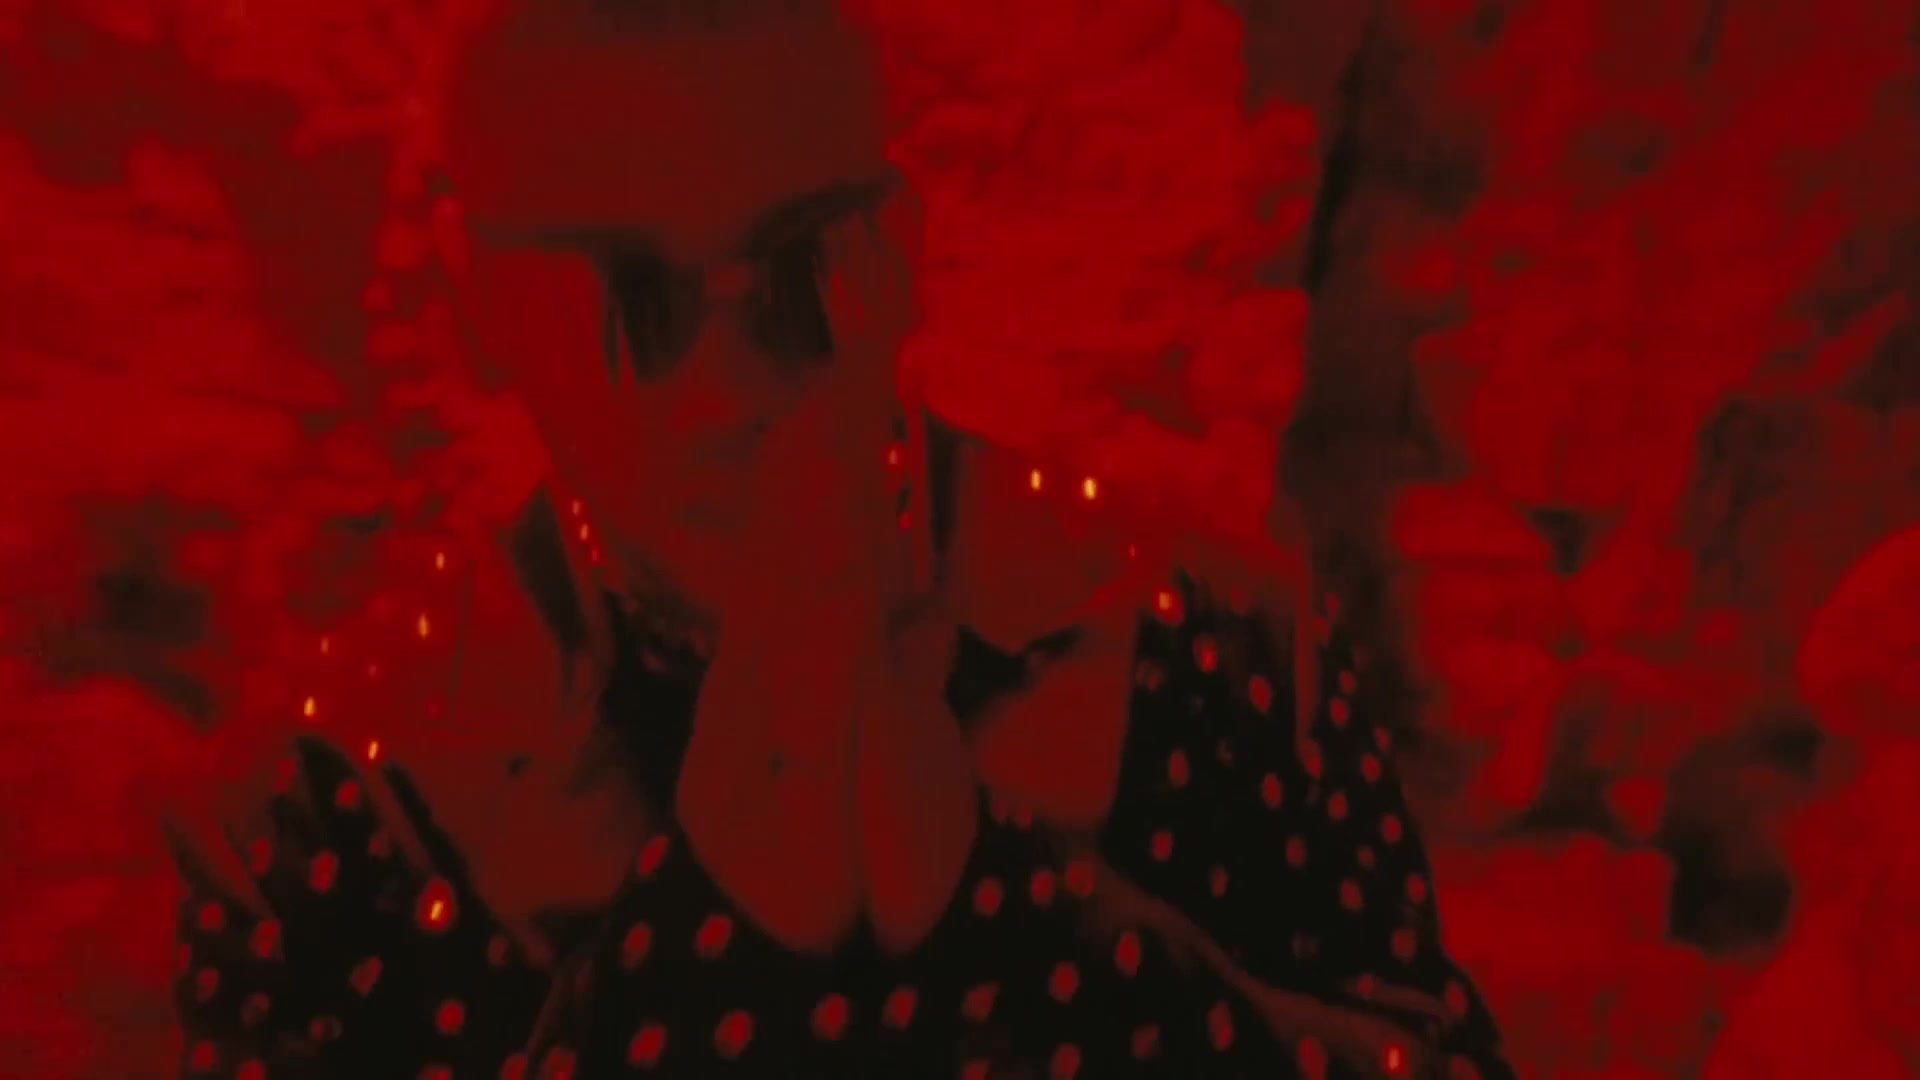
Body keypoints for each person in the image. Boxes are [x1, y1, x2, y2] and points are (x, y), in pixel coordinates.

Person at [163, 1, 1514, 1076]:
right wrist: (702, 942)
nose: (730, 384)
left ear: (899, 251)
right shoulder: (331, 804)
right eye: (624, 299)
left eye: (801, 270)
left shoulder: (1208, 648)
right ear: (480, 306)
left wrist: (1009, 911)